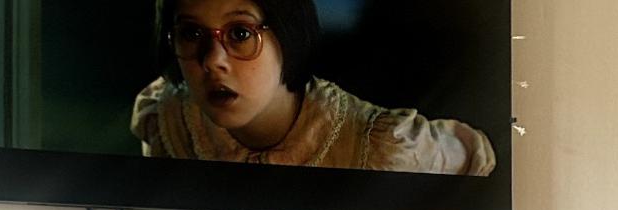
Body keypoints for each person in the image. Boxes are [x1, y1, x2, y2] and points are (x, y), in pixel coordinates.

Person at [131, 0, 496, 176]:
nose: (212, 61)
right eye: (192, 33)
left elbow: (478, 160)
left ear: (288, 35)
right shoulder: (170, 117)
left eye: (240, 34)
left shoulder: (381, 147)